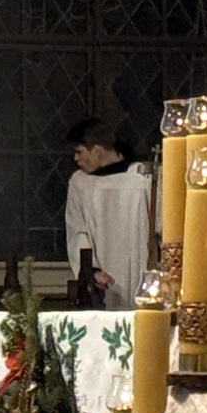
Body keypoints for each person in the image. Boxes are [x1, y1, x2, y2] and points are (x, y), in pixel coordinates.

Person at [63, 119, 153, 309]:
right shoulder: (80, 183)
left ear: (97, 150)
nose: (76, 159)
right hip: (102, 279)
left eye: (79, 152)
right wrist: (92, 271)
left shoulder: (142, 177)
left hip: (142, 273)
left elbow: (161, 226)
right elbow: (77, 230)